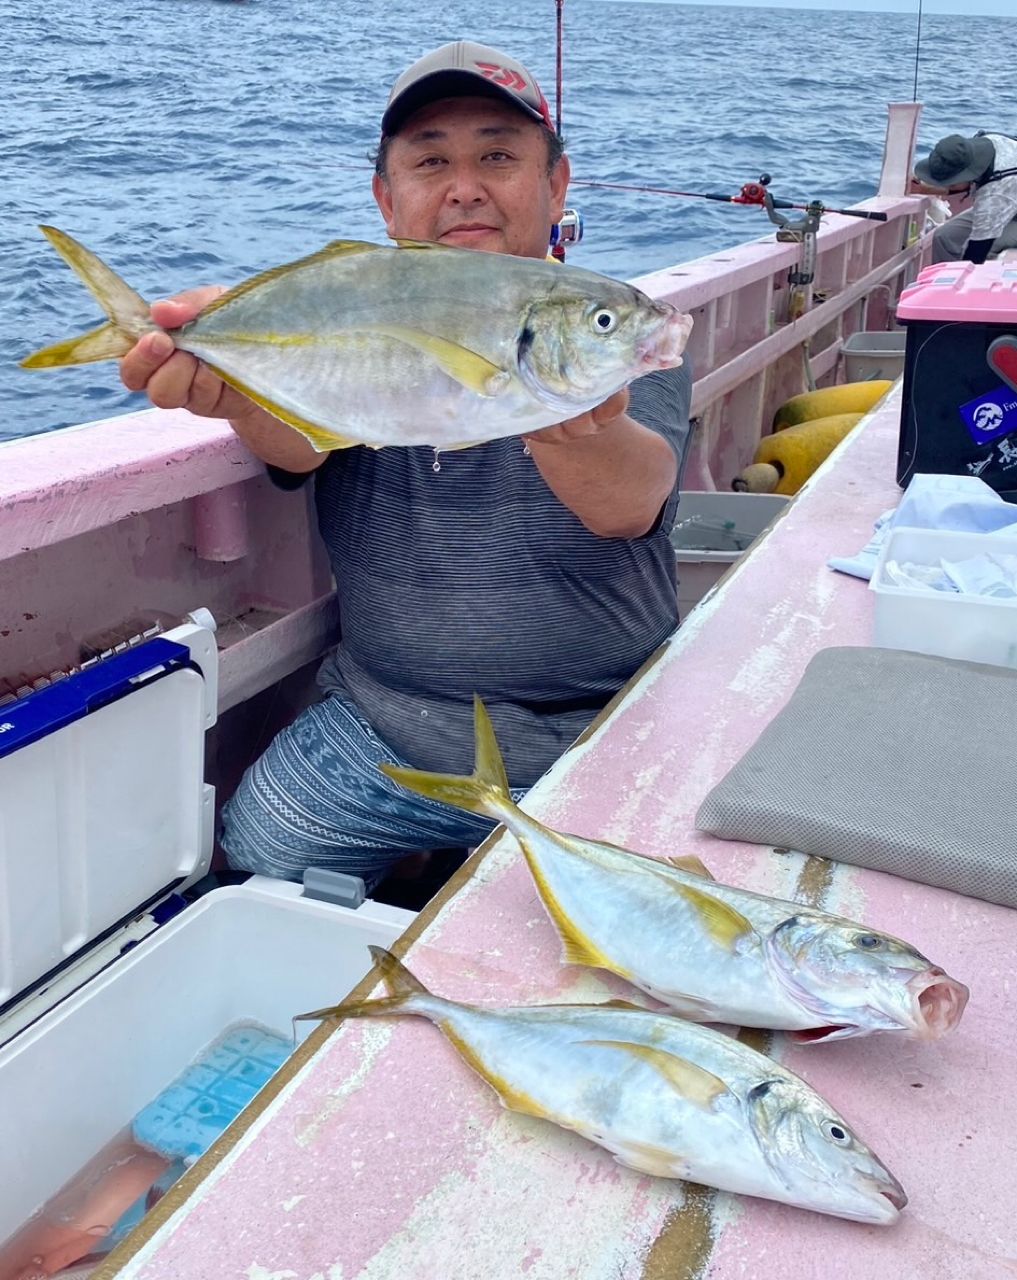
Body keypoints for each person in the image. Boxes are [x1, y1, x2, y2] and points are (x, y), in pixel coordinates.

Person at [119, 40, 693, 893]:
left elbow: (629, 498)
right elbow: (304, 441)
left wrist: (566, 420)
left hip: (602, 723)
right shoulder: (353, 304)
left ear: (556, 185)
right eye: (432, 161)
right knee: (263, 855)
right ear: (387, 201)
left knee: (639, 916)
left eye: (498, 154)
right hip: (388, 723)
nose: (465, 185)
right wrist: (233, 389)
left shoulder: (600, 323)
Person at [912, 131, 1017, 264]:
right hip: (1009, 201)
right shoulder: (983, 143)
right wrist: (923, 189)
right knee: (944, 237)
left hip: (1010, 208)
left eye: (951, 182)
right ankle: (943, 279)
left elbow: (977, 251)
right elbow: (969, 183)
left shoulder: (995, 195)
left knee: (984, 252)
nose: (948, 185)